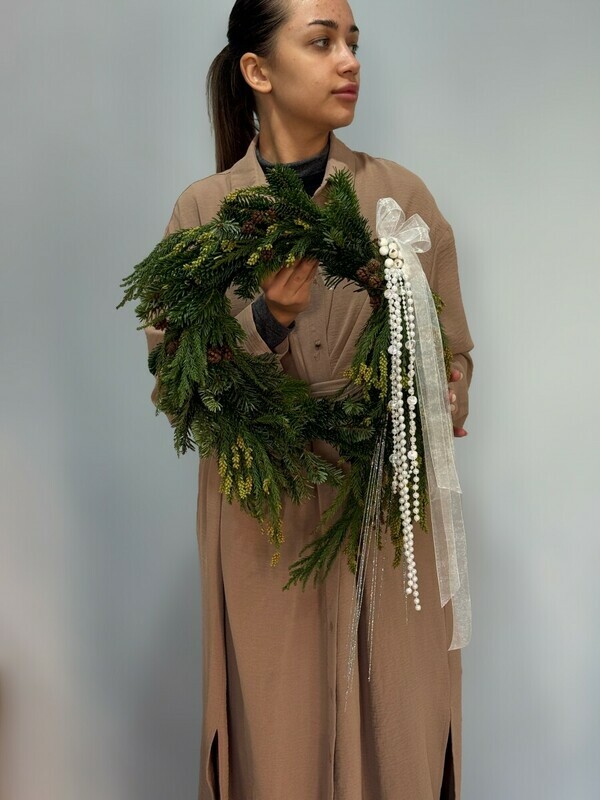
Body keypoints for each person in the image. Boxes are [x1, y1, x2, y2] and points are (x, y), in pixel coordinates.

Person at [144, 1, 473, 797]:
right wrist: (267, 319)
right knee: (278, 732)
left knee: (399, 723)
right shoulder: (206, 212)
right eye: (322, 42)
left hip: (386, 506)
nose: (348, 61)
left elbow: (454, 355)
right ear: (257, 70)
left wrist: (434, 390)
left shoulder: (401, 200)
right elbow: (177, 379)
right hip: (264, 515)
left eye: (352, 43)